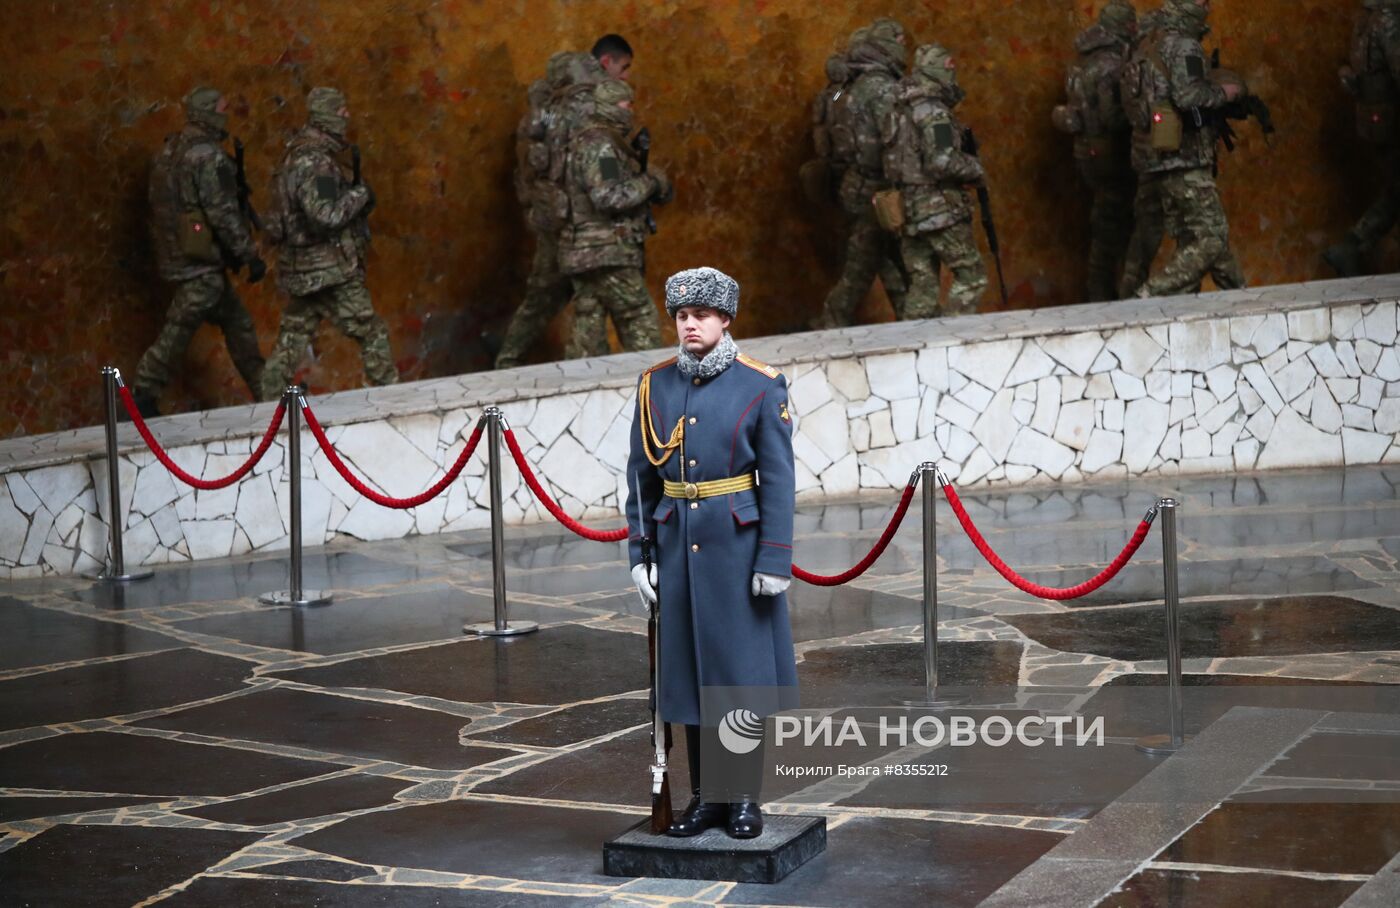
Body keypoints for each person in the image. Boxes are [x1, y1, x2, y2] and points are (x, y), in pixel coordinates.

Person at [626, 266, 799, 840]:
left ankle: (743, 800)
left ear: (725, 320)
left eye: (701, 315)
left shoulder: (760, 385)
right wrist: (640, 553)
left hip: (738, 553)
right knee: (692, 679)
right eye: (681, 316)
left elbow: (777, 479)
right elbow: (642, 479)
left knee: (737, 681)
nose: (690, 325)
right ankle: (704, 799)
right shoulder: (655, 385)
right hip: (677, 551)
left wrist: (774, 559)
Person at [134, 86, 266, 416]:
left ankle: (271, 389)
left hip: (179, 255)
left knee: (239, 325)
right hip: (201, 265)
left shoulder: (169, 151)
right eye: (221, 108)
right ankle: (141, 393)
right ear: (208, 113)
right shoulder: (208, 156)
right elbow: (222, 212)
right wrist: (248, 254)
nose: (226, 115)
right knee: (179, 327)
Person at [260, 87, 398, 399]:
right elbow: (325, 215)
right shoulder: (316, 163)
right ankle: (391, 398)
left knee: (293, 335)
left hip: (304, 268)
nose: (346, 116)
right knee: (370, 331)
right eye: (340, 111)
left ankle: (267, 402)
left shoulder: (296, 155)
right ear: (326, 116)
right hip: (329, 269)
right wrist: (360, 195)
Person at [1122, 0, 1244, 297]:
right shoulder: (1185, 46)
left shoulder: (1144, 45)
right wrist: (1224, 92)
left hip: (1152, 156)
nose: (1208, 6)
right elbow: (1189, 96)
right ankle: (1151, 293)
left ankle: (1239, 294)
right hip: (1183, 159)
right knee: (1212, 236)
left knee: (1194, 237)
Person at [496, 52, 607, 369]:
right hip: (582, 226)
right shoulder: (586, 112)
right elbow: (598, 171)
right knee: (591, 298)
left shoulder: (539, 118)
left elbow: (528, 174)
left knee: (540, 300)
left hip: (549, 221)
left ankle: (507, 358)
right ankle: (583, 369)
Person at [559, 79, 671, 357]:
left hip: (584, 253)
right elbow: (609, 196)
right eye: (625, 103)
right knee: (639, 320)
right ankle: (657, 389)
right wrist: (650, 182)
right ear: (610, 106)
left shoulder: (589, 140)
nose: (630, 109)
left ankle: (583, 388)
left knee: (588, 332)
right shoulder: (602, 147)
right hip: (606, 252)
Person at [881, 43, 988, 318]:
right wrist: (975, 169)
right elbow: (942, 160)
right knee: (971, 276)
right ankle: (952, 341)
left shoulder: (898, 110)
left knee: (923, 285)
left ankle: (914, 349)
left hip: (907, 210)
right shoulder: (934, 113)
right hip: (939, 209)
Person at [816, 18, 910, 327]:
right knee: (862, 268)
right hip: (878, 190)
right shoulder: (879, 88)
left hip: (856, 185)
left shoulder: (847, 90)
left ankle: (914, 320)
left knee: (893, 265)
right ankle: (831, 321)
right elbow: (896, 141)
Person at [1055, 1, 1139, 302]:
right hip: (1110, 154)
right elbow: (1112, 117)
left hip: (1086, 150)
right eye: (1132, 24)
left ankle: (1103, 292)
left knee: (1105, 222)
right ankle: (1107, 296)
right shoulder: (1111, 64)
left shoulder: (1083, 59)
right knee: (1117, 226)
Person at [1326, 0, 1400, 277]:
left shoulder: (1366, 16)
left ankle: (1351, 245)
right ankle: (1351, 246)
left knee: (1395, 188)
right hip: (1391, 118)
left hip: (1373, 118)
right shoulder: (1389, 17)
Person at [1118, 6, 1168, 298]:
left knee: (1144, 229)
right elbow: (1159, 110)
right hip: (1163, 155)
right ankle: (1140, 291)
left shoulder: (1132, 61)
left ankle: (1131, 288)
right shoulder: (1153, 62)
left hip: (1144, 153)